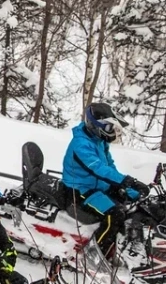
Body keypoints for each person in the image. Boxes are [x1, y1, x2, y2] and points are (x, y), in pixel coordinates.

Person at [60, 102, 151, 261]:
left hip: (98, 187)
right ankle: (93, 256)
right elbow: (98, 169)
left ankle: (127, 250)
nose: (111, 133)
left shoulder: (99, 141)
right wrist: (128, 181)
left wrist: (131, 189)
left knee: (133, 204)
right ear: (94, 125)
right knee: (114, 215)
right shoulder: (80, 144)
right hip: (80, 191)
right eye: (108, 128)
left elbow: (110, 168)